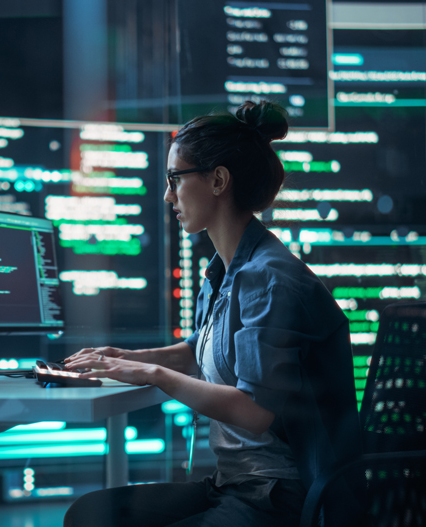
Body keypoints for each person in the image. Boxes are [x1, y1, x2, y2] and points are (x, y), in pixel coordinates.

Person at [62, 100, 362, 527]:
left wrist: (153, 375)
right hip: (234, 484)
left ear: (218, 180)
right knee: (90, 515)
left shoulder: (268, 278)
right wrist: (123, 358)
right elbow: (196, 350)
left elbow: (254, 411)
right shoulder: (227, 271)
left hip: (278, 496)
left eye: (174, 179)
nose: (168, 195)